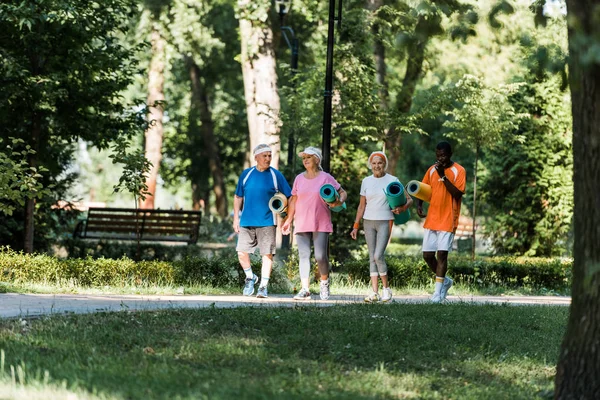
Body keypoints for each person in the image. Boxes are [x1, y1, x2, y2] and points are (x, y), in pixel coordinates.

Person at [281, 146, 347, 301]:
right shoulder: (299, 178)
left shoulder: (326, 177)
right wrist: (289, 220)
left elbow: (343, 192)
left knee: (320, 256)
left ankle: (324, 284)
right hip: (302, 221)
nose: (305, 161)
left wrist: (339, 202)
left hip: (321, 221)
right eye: (303, 158)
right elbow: (294, 200)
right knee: (303, 255)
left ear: (317, 160)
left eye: (308, 157)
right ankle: (305, 289)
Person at [350, 151, 412, 302]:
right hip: (368, 221)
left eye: (380, 163)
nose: (377, 166)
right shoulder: (366, 181)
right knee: (372, 257)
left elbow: (409, 199)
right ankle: (374, 293)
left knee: (378, 255)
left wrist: (402, 209)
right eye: (374, 163)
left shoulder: (393, 180)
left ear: (384, 164)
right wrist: (355, 226)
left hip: (385, 220)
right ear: (370, 165)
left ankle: (386, 290)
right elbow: (361, 206)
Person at [233, 144, 292, 298]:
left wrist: (287, 217)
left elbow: (290, 196)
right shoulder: (246, 174)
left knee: (267, 254)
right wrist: (235, 219)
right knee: (241, 253)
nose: (268, 159)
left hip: (267, 221)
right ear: (256, 157)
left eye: (269, 155)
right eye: (264, 156)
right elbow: (238, 196)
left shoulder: (275, 175)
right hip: (246, 221)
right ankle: (250, 277)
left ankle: (263, 287)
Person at [416, 141, 466, 303]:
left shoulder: (459, 170)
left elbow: (457, 194)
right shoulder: (432, 170)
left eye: (443, 155)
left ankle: (437, 294)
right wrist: (419, 205)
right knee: (427, 255)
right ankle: (445, 281)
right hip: (432, 218)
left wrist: (443, 175)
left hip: (448, 217)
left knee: (442, 254)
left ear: (450, 154)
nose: (440, 158)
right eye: (438, 155)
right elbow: (424, 189)